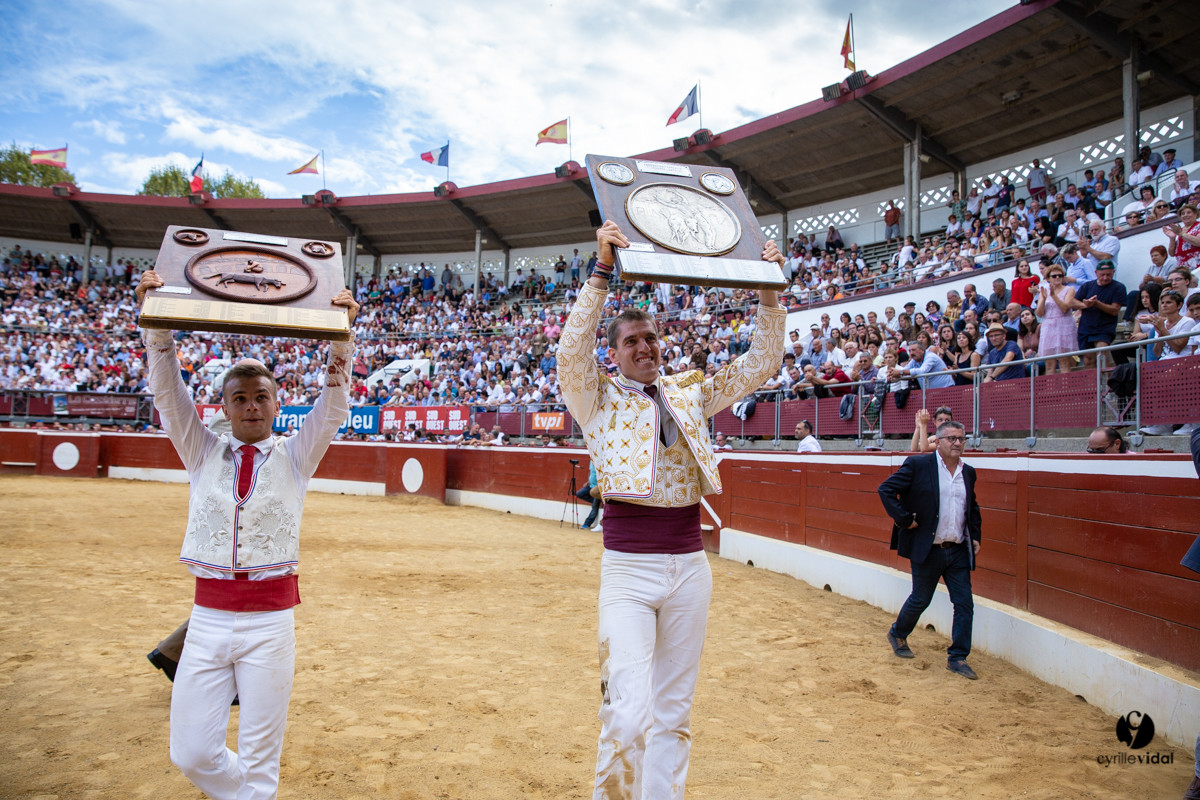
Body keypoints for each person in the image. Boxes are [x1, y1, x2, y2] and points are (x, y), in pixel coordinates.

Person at [558, 219, 786, 799]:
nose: (644, 347)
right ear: (612, 354)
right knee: (628, 712)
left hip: (690, 568)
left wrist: (768, 288)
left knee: (673, 715)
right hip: (628, 571)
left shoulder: (690, 390)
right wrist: (602, 273)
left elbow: (761, 363)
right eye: (630, 341)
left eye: (650, 338)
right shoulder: (595, 397)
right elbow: (569, 351)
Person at [135, 269, 359, 800]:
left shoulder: (296, 456)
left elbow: (333, 408)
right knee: (190, 752)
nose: (252, 406)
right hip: (208, 620)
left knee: (262, 756)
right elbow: (168, 394)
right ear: (224, 408)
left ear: (278, 404)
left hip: (271, 623)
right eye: (240, 399)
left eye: (261, 396)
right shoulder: (201, 451)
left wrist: (342, 335)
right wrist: (155, 324)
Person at [880, 420, 982, 679]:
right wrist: (904, 519)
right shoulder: (918, 465)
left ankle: (958, 657)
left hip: (957, 548)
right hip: (928, 547)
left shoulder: (967, 472)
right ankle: (898, 633)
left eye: (961, 438)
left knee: (964, 603)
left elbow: (972, 507)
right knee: (920, 599)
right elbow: (886, 490)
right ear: (938, 441)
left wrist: (976, 537)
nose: (958, 443)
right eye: (952, 438)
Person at [1075, 260, 1127, 370]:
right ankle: (1094, 385)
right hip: (1086, 328)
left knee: (1101, 355)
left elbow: (1114, 310)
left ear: (1113, 272)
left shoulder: (1118, 287)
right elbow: (1072, 302)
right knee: (1088, 360)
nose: (1105, 277)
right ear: (1096, 273)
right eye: (1102, 275)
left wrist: (1096, 303)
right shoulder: (1087, 286)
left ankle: (1107, 385)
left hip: (1104, 327)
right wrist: (1085, 304)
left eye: (1108, 274)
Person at [1036, 266, 1078, 374]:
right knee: (1049, 363)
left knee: (1064, 361)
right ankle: (1051, 390)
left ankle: (1066, 389)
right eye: (1054, 276)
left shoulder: (1069, 289)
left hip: (1064, 324)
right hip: (1048, 325)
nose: (1057, 278)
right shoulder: (1043, 291)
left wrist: (1054, 296)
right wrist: (1043, 299)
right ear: (1048, 278)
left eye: (1060, 275)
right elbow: (1039, 313)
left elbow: (1065, 308)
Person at [577, 460, 603, 530]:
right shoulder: (591, 460)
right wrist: (588, 481)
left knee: (594, 507)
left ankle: (587, 524)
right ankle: (598, 502)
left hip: (597, 488)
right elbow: (591, 472)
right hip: (591, 485)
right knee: (579, 494)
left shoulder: (601, 460)